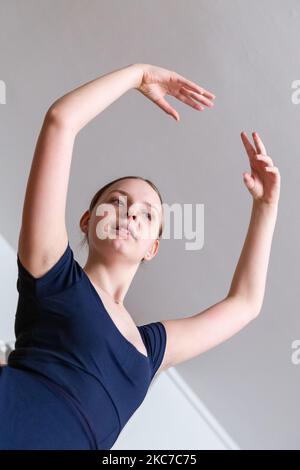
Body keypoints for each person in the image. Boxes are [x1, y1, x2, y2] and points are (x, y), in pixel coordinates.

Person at [0, 63, 280, 450]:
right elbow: (60, 122)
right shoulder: (53, 273)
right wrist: (139, 75)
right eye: (116, 202)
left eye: (147, 214)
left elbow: (245, 304)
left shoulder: (150, 351)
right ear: (87, 221)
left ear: (153, 247)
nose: (130, 213)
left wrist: (266, 206)